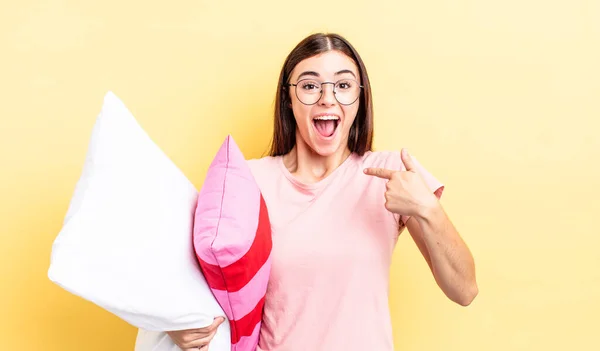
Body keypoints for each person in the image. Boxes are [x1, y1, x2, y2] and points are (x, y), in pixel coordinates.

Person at [166, 32, 478, 351]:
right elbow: (205, 283)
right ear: (289, 98)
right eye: (310, 85)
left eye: (343, 86)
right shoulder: (249, 179)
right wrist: (179, 326)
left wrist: (428, 209)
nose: (327, 98)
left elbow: (464, 290)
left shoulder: (392, 173)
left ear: (359, 99)